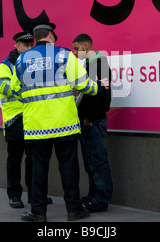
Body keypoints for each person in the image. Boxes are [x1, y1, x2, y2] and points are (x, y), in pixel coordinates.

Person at [10, 21, 105, 222]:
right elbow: (82, 83)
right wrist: (97, 87)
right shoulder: (64, 55)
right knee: (69, 168)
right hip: (64, 124)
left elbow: (15, 90)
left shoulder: (21, 60)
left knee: (38, 170)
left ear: (35, 39)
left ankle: (38, 212)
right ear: (51, 36)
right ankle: (73, 209)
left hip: (36, 126)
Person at [72, 34, 113, 212]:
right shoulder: (89, 65)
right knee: (91, 162)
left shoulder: (100, 63)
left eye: (77, 48)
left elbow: (103, 97)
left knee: (97, 161)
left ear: (86, 46)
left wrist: (89, 117)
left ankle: (101, 200)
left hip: (93, 122)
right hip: (87, 122)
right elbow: (88, 93)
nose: (75, 52)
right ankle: (93, 196)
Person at [0, 31, 34, 208]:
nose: (29, 48)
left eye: (31, 45)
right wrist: (23, 88)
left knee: (33, 159)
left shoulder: (34, 63)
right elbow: (2, 85)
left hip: (33, 117)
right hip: (14, 120)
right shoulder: (6, 65)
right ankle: (14, 195)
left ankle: (35, 194)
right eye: (25, 45)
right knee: (15, 160)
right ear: (16, 46)